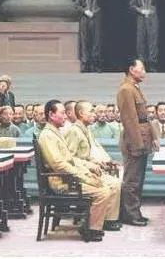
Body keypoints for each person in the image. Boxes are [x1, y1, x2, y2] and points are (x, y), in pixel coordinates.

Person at [38, 99, 120, 241]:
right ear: (51, 115)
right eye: (62, 113)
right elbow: (59, 165)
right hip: (62, 181)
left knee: (104, 186)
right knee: (103, 192)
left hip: (67, 177)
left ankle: (91, 225)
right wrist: (83, 176)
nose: (66, 117)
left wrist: (87, 168)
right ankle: (90, 228)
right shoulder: (47, 136)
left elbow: (71, 158)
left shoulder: (54, 133)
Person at [65, 101, 122, 231]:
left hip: (87, 168)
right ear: (81, 113)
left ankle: (109, 219)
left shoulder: (85, 129)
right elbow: (70, 158)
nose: (94, 114)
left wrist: (97, 162)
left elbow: (85, 155)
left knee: (115, 182)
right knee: (112, 184)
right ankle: (104, 221)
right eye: (91, 111)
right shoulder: (74, 131)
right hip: (80, 173)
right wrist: (90, 165)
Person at [116, 59, 157, 226]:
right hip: (135, 141)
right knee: (132, 180)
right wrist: (137, 144)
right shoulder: (126, 89)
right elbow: (130, 120)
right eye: (142, 68)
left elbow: (144, 118)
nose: (144, 72)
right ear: (132, 70)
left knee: (138, 179)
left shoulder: (134, 88)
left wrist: (153, 137)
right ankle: (130, 214)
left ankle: (135, 211)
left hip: (142, 139)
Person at [76, 0, 107, 72]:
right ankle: (85, 63)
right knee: (85, 41)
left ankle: (96, 64)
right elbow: (77, 5)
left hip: (96, 18)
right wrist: (84, 11)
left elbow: (104, 4)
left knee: (96, 41)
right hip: (85, 19)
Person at [130, 0, 160, 71]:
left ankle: (152, 63)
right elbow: (132, 5)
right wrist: (140, 10)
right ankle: (141, 62)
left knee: (153, 40)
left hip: (152, 18)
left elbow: (162, 0)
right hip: (141, 17)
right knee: (140, 40)